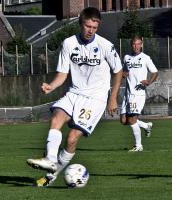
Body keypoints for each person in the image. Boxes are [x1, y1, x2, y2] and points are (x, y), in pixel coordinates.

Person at [26, 7, 123, 187]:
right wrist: (51, 86)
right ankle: (50, 159)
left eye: (95, 27)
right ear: (81, 23)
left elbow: (118, 71)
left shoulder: (105, 46)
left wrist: (113, 97)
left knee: (71, 138)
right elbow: (63, 73)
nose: (91, 30)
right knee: (56, 116)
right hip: (74, 92)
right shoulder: (69, 43)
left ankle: (51, 177)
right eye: (88, 26)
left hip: (96, 98)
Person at [120, 36, 158, 152]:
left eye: (138, 44)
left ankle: (138, 146)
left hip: (138, 94)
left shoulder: (145, 58)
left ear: (141, 45)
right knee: (123, 121)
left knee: (132, 120)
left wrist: (149, 82)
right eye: (134, 44)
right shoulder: (126, 57)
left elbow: (155, 72)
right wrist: (123, 74)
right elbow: (125, 71)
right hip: (127, 93)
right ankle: (146, 126)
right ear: (131, 45)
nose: (136, 46)